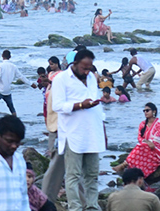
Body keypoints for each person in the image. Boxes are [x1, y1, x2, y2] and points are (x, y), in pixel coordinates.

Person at [49, 48, 104, 211]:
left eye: (89, 68)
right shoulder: (61, 79)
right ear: (75, 64)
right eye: (84, 68)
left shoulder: (92, 78)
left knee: (92, 175)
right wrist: (80, 105)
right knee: (73, 175)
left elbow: (95, 102)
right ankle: (75, 207)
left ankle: (92, 206)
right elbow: (57, 105)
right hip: (73, 133)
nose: (87, 71)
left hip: (93, 132)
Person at [114, 103, 160, 177]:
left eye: (147, 110)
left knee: (141, 147)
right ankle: (134, 173)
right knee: (141, 146)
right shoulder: (142, 124)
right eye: (144, 111)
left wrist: (148, 143)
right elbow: (140, 138)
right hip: (145, 147)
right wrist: (146, 142)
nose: (145, 112)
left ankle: (124, 165)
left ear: (154, 111)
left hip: (159, 149)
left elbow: (158, 139)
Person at [0, 50, 26, 117]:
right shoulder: (13, 66)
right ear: (10, 56)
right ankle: (16, 121)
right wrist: (30, 84)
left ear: (2, 56)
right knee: (11, 108)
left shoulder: (0, 65)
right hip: (7, 91)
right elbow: (21, 76)